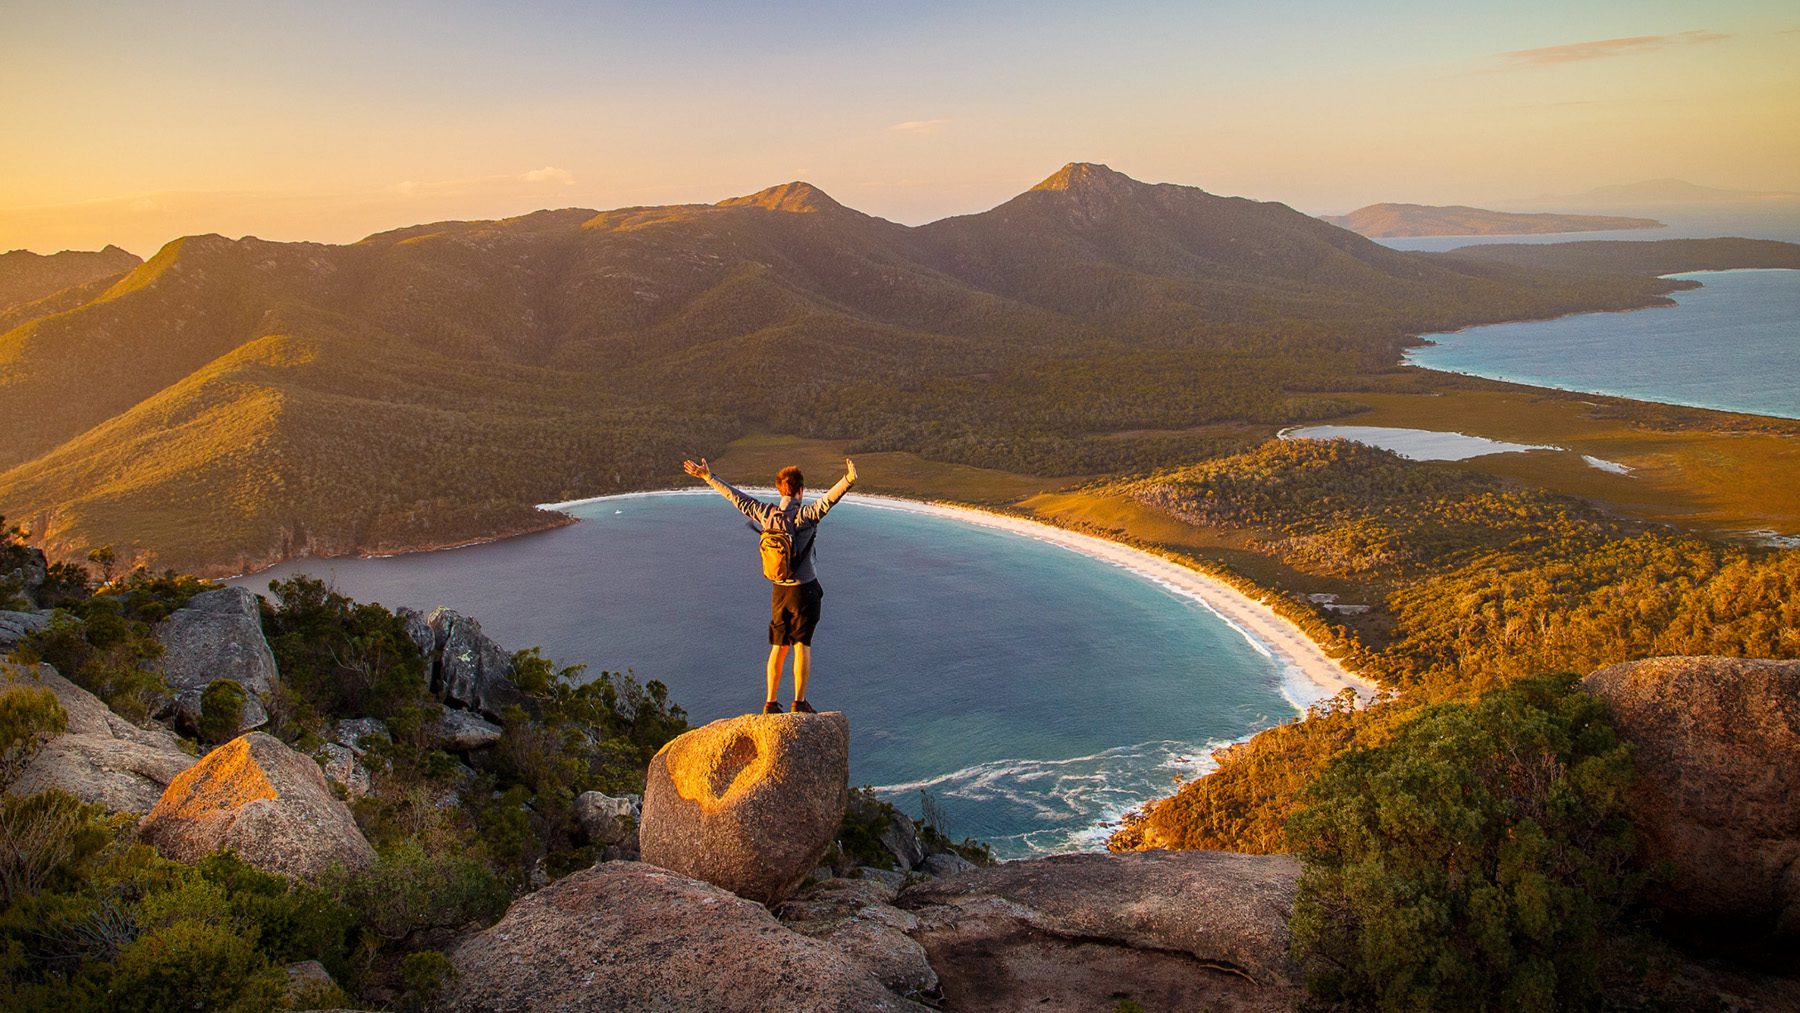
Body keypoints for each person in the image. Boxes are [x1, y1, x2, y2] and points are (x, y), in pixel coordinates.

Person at [681, 455, 857, 714]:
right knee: (802, 645)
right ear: (800, 490)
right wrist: (849, 479)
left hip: (779, 591)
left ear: (779, 489)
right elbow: (828, 500)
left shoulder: (766, 513)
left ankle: (771, 702)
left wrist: (708, 477)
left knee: (778, 646)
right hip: (804, 590)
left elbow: (735, 497)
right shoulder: (805, 516)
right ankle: (799, 702)